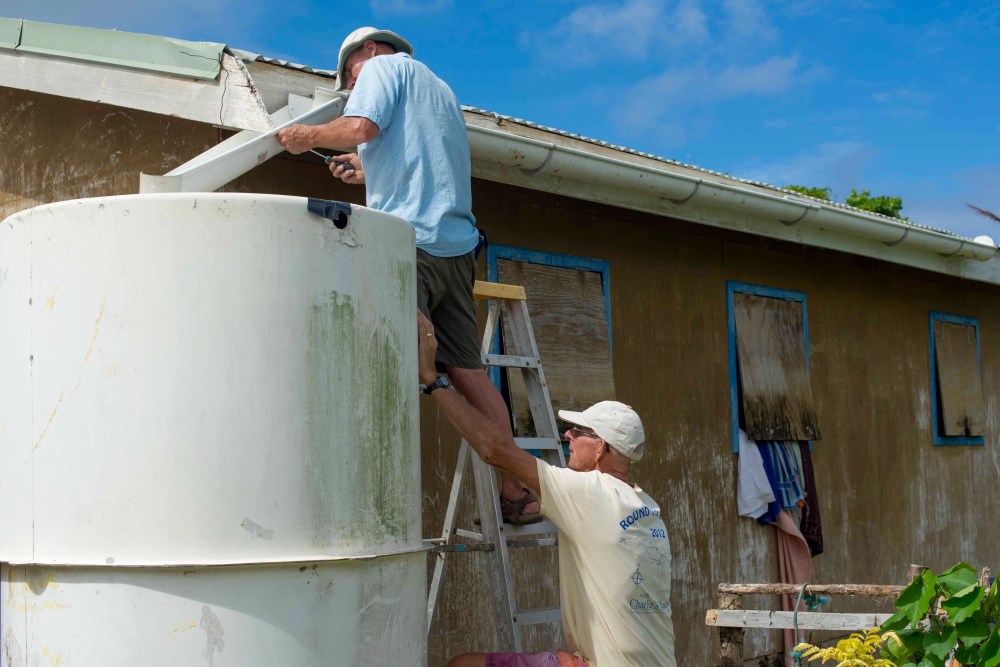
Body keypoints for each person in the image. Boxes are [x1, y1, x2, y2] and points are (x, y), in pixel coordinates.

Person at [276, 27, 540, 523]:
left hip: (410, 246)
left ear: (369, 52)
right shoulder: (439, 88)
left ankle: (366, 505)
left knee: (394, 362)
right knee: (472, 377)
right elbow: (416, 157)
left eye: (351, 75)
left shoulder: (381, 69)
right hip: (457, 247)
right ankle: (517, 491)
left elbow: (360, 127)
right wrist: (367, 168)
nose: (353, 86)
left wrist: (307, 135)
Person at [417, 313, 677, 667]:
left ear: (600, 448)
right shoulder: (648, 507)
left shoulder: (588, 492)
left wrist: (433, 379)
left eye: (578, 431)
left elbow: (494, 450)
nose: (567, 435)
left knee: (462, 665)